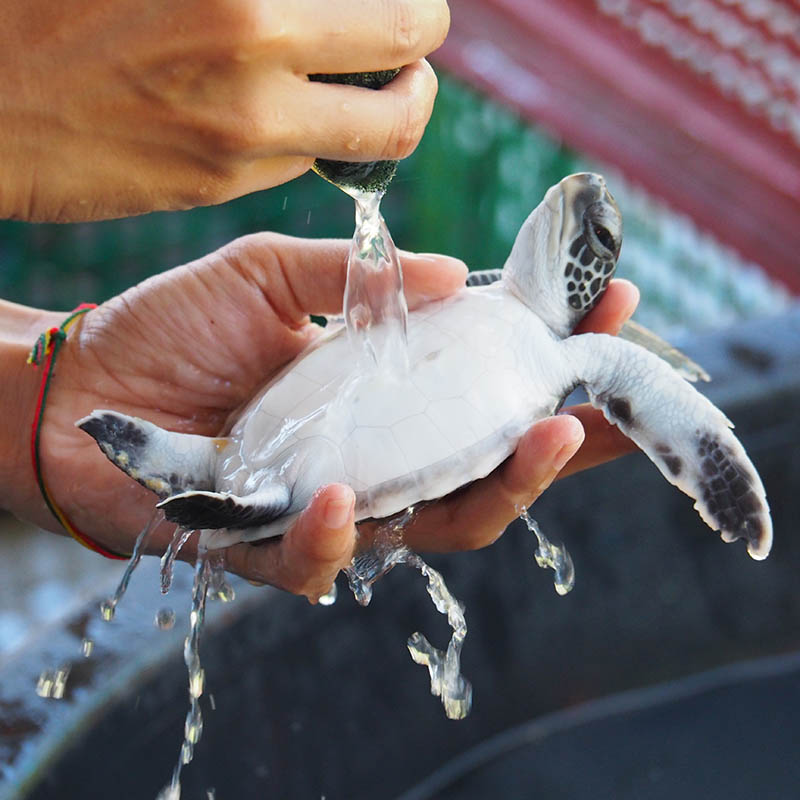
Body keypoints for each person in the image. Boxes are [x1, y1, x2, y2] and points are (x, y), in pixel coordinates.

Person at [0, 1, 637, 601]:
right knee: (282, 489)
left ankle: (236, 483)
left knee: (287, 495)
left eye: (596, 238)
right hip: (320, 428)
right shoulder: (498, 304)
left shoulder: (523, 322)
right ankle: (231, 479)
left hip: (326, 443)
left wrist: (47, 391)